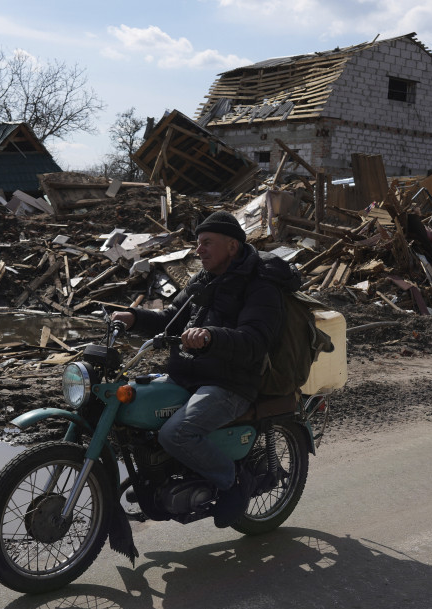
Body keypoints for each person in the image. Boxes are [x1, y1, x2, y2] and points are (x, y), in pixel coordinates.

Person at [113, 211, 299, 527]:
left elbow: (256, 339)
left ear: (232, 246)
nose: (199, 250)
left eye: (207, 243)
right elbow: (170, 319)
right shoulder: (203, 280)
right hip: (188, 376)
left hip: (230, 383)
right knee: (134, 413)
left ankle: (233, 482)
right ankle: (157, 479)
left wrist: (212, 336)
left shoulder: (260, 285)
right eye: (198, 243)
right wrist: (134, 318)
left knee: (177, 433)